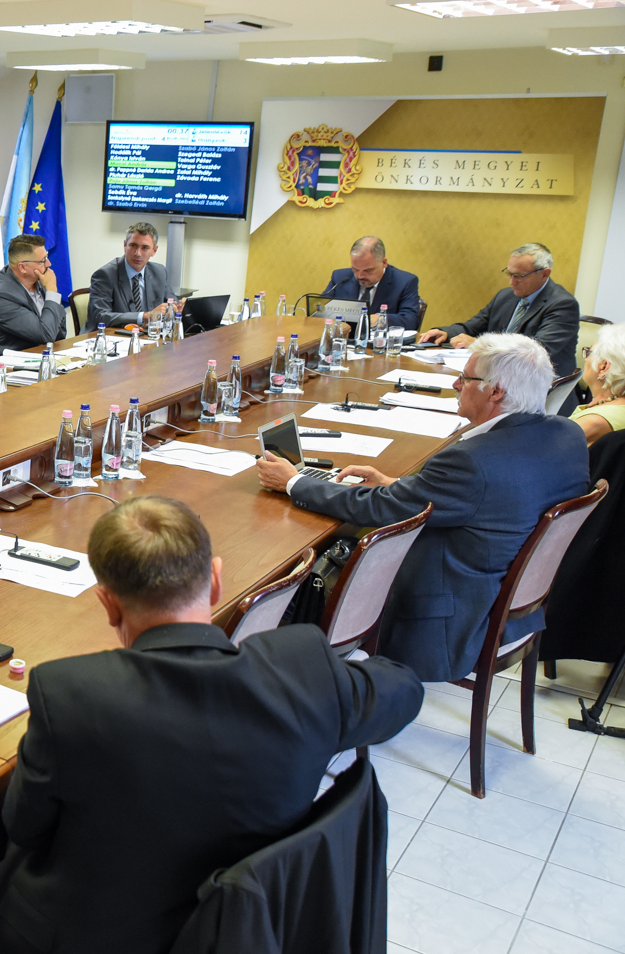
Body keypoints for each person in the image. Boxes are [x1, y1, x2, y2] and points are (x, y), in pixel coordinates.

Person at [0, 496, 422, 954]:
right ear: (216, 579)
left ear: (107, 602)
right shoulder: (303, 670)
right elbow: (405, 690)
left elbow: (24, 827)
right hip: (257, 946)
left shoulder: (72, 694)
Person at [257, 333, 590, 682]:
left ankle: (296, 674)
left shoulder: (472, 461)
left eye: (466, 378)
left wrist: (293, 482)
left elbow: (380, 509)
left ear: (495, 391)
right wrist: (396, 485)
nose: (455, 384)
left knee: (298, 571)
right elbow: (486, 499)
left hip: (446, 620)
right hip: (512, 605)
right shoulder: (567, 435)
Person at [418, 242, 580, 388]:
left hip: (537, 387)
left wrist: (480, 344)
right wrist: (446, 333)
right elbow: (473, 326)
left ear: (545, 274)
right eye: (509, 274)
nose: (512, 282)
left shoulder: (563, 305)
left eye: (519, 276)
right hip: (496, 379)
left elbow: (536, 352)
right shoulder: (505, 296)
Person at [0, 235, 68, 357]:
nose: (49, 264)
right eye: (43, 261)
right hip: (1, 363)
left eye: (47, 257)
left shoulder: (40, 282)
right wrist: (52, 291)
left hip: (36, 356)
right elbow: (46, 335)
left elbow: (60, 333)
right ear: (23, 267)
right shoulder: (0, 296)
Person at [85, 221, 182, 332]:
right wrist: (145, 316)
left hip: (145, 336)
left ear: (154, 250)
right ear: (125, 245)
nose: (138, 253)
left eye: (145, 247)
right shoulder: (105, 275)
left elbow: (172, 303)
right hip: (108, 336)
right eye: (133, 245)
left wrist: (178, 308)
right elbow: (100, 316)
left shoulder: (159, 272)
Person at [318, 235, 423, 331]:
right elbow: (319, 311)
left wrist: (382, 319)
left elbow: (410, 320)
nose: (360, 276)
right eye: (355, 269)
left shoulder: (405, 282)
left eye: (368, 270)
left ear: (384, 263)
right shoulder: (340, 277)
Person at [571, 323, 625, 444]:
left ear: (604, 367)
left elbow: (543, 450)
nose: (585, 359)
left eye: (588, 353)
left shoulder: (593, 422)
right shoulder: (617, 405)